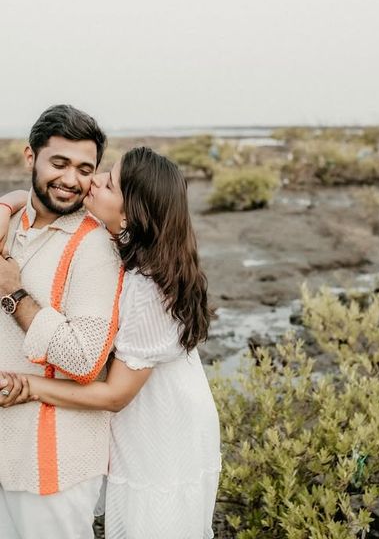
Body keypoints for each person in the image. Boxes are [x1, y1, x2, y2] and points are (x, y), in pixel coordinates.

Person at [0, 146, 221, 538]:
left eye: (109, 182)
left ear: (131, 212)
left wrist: (31, 386)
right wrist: (6, 205)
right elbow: (30, 196)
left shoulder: (149, 288)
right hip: (158, 414)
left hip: (160, 428)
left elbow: (117, 395)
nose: (94, 180)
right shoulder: (134, 243)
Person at [0, 105, 123, 539]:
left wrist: (13, 295)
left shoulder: (95, 247)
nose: (71, 180)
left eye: (84, 168)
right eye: (59, 163)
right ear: (30, 157)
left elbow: (86, 360)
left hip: (51, 465)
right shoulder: (7, 222)